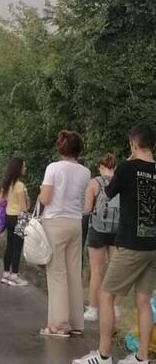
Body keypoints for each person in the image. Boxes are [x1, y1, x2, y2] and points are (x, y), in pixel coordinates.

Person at [75, 124, 156, 364]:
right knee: (144, 301)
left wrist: (126, 163)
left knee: (106, 295)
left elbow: (108, 194)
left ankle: (103, 356)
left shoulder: (128, 168)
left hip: (131, 245)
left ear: (133, 143)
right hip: (153, 246)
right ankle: (141, 358)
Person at [38, 130, 90, 338]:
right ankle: (76, 322)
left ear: (60, 147)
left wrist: (41, 191)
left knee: (57, 273)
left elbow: (45, 199)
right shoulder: (85, 172)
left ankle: (58, 324)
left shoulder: (54, 168)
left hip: (55, 222)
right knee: (73, 272)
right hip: (75, 223)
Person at [83, 154, 122, 322]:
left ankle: (93, 309)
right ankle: (115, 307)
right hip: (117, 231)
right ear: (115, 167)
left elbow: (87, 209)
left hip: (97, 231)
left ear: (100, 166)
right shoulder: (121, 181)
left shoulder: (94, 183)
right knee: (115, 271)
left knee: (96, 271)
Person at [1, 157, 29, 286]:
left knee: (10, 245)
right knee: (18, 246)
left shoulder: (8, 184)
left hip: (9, 215)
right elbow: (23, 206)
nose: (25, 168)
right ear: (19, 168)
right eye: (24, 166)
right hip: (19, 217)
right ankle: (15, 274)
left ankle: (6, 272)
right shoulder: (20, 185)